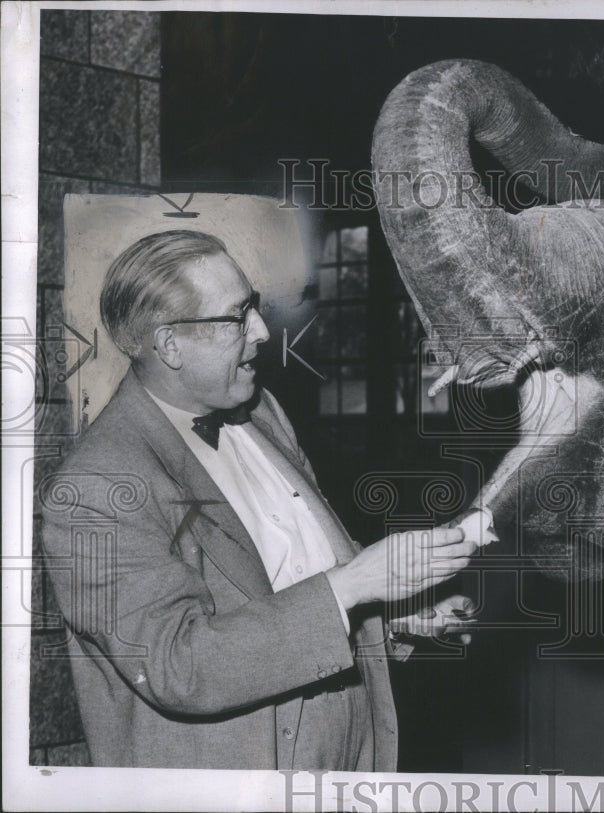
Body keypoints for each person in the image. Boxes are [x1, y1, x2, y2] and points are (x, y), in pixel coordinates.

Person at [40, 229, 484, 770]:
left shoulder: (262, 411)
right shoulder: (93, 488)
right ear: (169, 345)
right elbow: (178, 666)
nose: (263, 331)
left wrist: (396, 614)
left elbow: (289, 572)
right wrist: (352, 585)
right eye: (236, 317)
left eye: (253, 307)